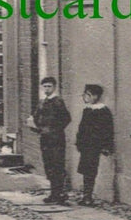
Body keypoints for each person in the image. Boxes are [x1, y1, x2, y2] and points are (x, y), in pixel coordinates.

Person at [27, 76, 72, 205]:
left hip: (56, 138)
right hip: (45, 138)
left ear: (54, 87)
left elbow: (66, 118)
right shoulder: (42, 102)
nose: (47, 89)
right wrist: (38, 127)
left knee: (57, 164)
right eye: (45, 86)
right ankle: (54, 193)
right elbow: (36, 117)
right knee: (49, 165)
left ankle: (59, 193)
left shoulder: (58, 102)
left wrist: (55, 129)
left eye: (49, 86)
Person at [75, 84, 114, 206]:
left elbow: (108, 130)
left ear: (95, 96)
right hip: (86, 145)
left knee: (91, 170)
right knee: (86, 170)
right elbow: (82, 127)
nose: (84, 97)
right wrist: (79, 141)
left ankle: (88, 196)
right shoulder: (87, 109)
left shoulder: (103, 110)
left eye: (87, 95)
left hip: (95, 145)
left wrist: (106, 146)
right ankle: (86, 195)